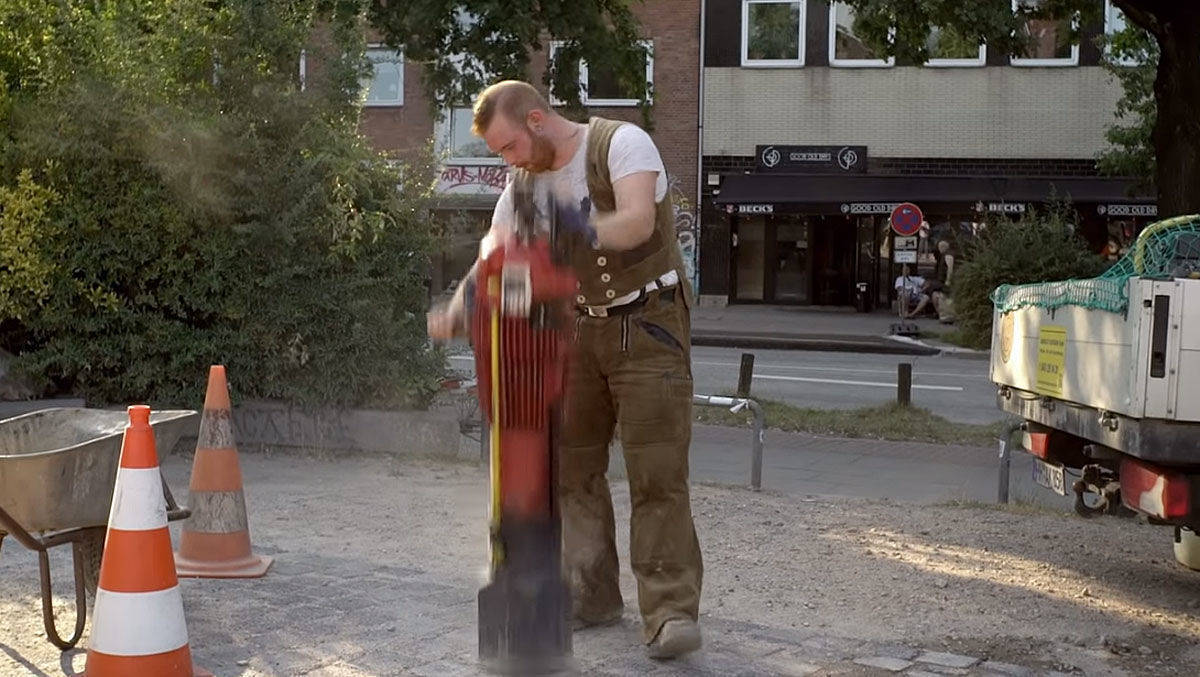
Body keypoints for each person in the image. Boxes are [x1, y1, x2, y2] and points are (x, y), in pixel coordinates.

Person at [426, 80, 703, 659]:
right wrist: (458, 309)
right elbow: (493, 254)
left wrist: (575, 224)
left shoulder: (622, 144)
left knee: (656, 474)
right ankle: (592, 595)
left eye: (508, 147)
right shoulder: (522, 183)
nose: (507, 162)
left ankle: (670, 612)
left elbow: (636, 223)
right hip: (576, 329)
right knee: (572, 469)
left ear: (535, 119)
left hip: (648, 324)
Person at [906, 239, 954, 319]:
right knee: (931, 293)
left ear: (943, 247)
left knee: (930, 286)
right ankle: (940, 314)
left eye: (940, 247)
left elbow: (950, 269)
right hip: (941, 281)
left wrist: (948, 281)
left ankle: (919, 294)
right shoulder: (943, 256)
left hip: (944, 282)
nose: (939, 249)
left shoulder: (948, 255)